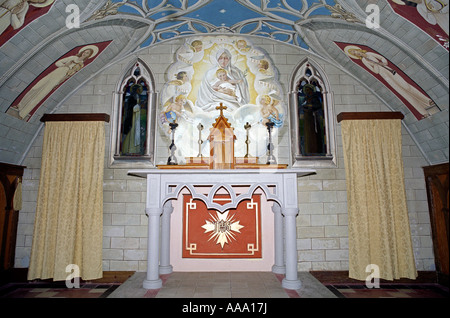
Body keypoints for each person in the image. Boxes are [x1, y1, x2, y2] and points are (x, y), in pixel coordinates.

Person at [345, 45, 439, 117]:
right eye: (354, 53)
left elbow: (382, 58)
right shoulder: (364, 61)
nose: (356, 53)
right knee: (402, 92)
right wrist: (377, 66)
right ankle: (423, 111)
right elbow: (375, 71)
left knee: (406, 86)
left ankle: (427, 101)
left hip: (389, 70)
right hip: (384, 75)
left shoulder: (369, 54)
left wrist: (383, 63)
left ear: (358, 50)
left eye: (355, 51)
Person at [10, 45, 98, 119]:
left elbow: (69, 75)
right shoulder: (73, 57)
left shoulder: (80, 64)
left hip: (59, 77)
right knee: (35, 88)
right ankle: (20, 105)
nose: (84, 53)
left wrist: (59, 82)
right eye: (84, 51)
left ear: (88, 56)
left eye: (87, 53)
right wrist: (65, 65)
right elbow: (58, 63)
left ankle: (23, 113)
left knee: (41, 94)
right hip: (55, 73)